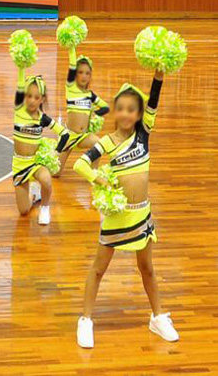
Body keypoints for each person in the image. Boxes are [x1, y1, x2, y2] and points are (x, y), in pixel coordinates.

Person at [74, 71, 179, 348]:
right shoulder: (107, 142)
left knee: (147, 269)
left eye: (131, 109)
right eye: (120, 108)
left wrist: (158, 77)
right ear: (115, 111)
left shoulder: (143, 135)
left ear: (138, 114)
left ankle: (158, 317)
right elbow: (80, 164)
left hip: (142, 215)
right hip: (117, 218)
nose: (125, 114)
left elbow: (154, 101)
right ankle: (85, 319)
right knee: (99, 269)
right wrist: (99, 179)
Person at [12, 66, 69, 225]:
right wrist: (21, 67)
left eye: (36, 97)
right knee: (23, 210)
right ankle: (34, 195)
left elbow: (65, 134)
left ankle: (45, 207)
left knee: (46, 179)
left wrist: (55, 153)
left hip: (35, 162)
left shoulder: (43, 118)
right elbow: (20, 83)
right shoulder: (19, 110)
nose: (31, 100)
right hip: (19, 164)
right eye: (28, 96)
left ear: (42, 99)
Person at [55, 44, 109, 175]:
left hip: (83, 136)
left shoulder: (90, 95)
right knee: (55, 173)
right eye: (80, 72)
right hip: (69, 136)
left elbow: (105, 107)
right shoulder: (71, 88)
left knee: (98, 144)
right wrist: (72, 47)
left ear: (90, 76)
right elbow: (72, 65)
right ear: (75, 75)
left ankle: (94, 172)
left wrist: (95, 113)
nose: (84, 76)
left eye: (87, 73)